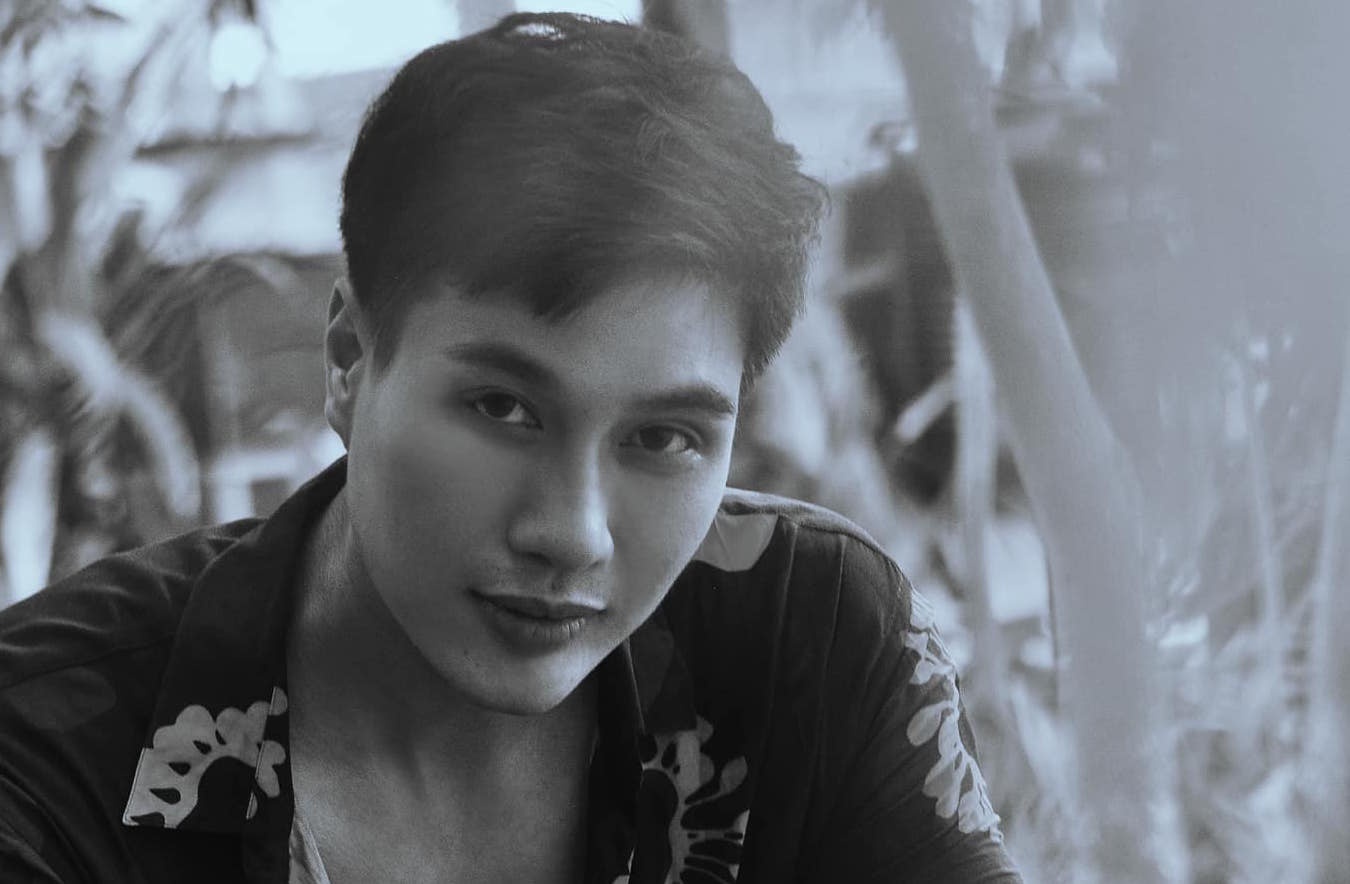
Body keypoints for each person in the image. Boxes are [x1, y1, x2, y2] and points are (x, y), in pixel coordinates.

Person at [0, 12, 1021, 883]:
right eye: (503, 408)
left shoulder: (813, 637)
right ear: (350, 360)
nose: (571, 532)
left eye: (663, 437)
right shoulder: (45, 751)